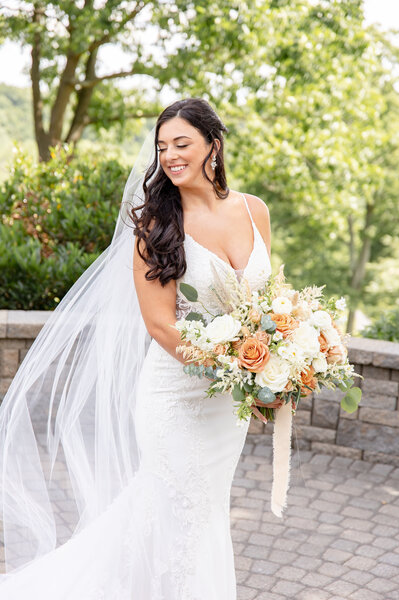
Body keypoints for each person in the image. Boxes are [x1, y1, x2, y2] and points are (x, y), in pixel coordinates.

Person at [0, 97, 283, 599]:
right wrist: (239, 372)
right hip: (174, 396)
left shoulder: (253, 210)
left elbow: (266, 303)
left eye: (182, 143)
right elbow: (161, 327)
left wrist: (279, 360)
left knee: (205, 511)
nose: (171, 155)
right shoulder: (155, 227)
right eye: (162, 147)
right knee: (174, 509)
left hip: (226, 410)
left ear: (212, 145)